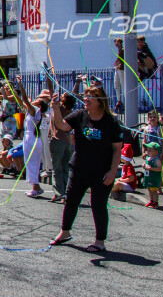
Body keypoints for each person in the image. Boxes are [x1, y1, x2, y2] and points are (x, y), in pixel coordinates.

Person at [49, 86, 123, 253]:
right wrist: (55, 108)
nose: (86, 99)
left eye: (91, 96)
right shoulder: (79, 115)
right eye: (85, 95)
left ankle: (99, 241)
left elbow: (117, 149)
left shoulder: (111, 122)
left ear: (100, 101)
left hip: (102, 171)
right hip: (79, 168)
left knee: (98, 205)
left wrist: (113, 171)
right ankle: (65, 232)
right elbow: (61, 125)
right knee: (71, 201)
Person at [11, 78, 46, 198]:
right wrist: (14, 91)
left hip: (32, 138)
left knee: (32, 162)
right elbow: (21, 102)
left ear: (39, 105)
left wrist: (21, 84)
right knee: (30, 162)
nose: (35, 100)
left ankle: (36, 186)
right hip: (30, 137)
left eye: (37, 100)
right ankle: (34, 186)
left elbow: (25, 100)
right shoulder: (32, 111)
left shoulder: (35, 110)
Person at [47, 93, 77, 203]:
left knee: (57, 168)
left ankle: (59, 193)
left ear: (64, 101)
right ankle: (65, 193)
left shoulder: (59, 109)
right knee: (65, 168)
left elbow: (52, 91)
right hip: (68, 142)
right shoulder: (71, 111)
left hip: (57, 140)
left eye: (62, 96)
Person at [142, 142, 162, 208]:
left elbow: (160, 168)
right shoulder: (148, 158)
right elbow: (146, 166)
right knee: (149, 188)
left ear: (156, 151)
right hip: (148, 176)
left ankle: (155, 202)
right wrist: (144, 166)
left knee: (154, 190)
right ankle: (151, 200)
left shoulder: (156, 160)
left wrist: (151, 168)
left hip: (154, 177)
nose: (148, 151)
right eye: (147, 150)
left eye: (150, 150)